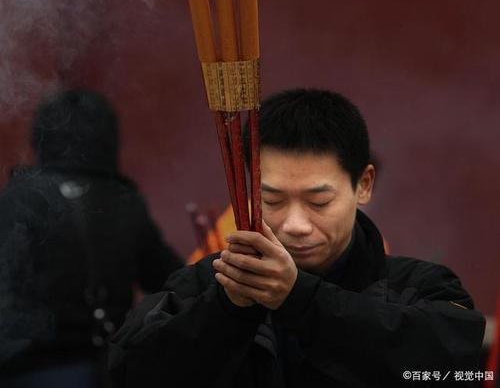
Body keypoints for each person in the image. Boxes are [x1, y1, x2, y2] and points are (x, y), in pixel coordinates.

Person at [108, 88, 485, 387]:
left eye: (318, 201)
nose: (295, 224)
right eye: (272, 199)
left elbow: (456, 370)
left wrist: (300, 298)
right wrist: (225, 310)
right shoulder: (203, 287)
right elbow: (129, 374)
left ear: (363, 185)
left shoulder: (421, 288)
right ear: (246, 191)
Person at [0, 89, 183, 387]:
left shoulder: (16, 198)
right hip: (106, 368)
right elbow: (171, 282)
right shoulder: (123, 198)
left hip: (25, 370)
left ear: (41, 136)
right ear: (108, 138)